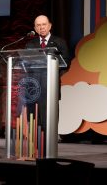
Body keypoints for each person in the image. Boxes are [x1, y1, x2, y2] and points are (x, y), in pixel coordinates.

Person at [24, 15, 72, 144]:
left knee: (50, 115)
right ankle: (35, 141)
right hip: (34, 86)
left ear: (50, 25)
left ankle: (50, 140)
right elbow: (26, 63)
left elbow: (66, 62)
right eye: (38, 25)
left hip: (50, 84)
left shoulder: (59, 42)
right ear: (35, 28)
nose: (41, 27)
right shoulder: (30, 44)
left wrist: (53, 68)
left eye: (44, 24)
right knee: (34, 115)